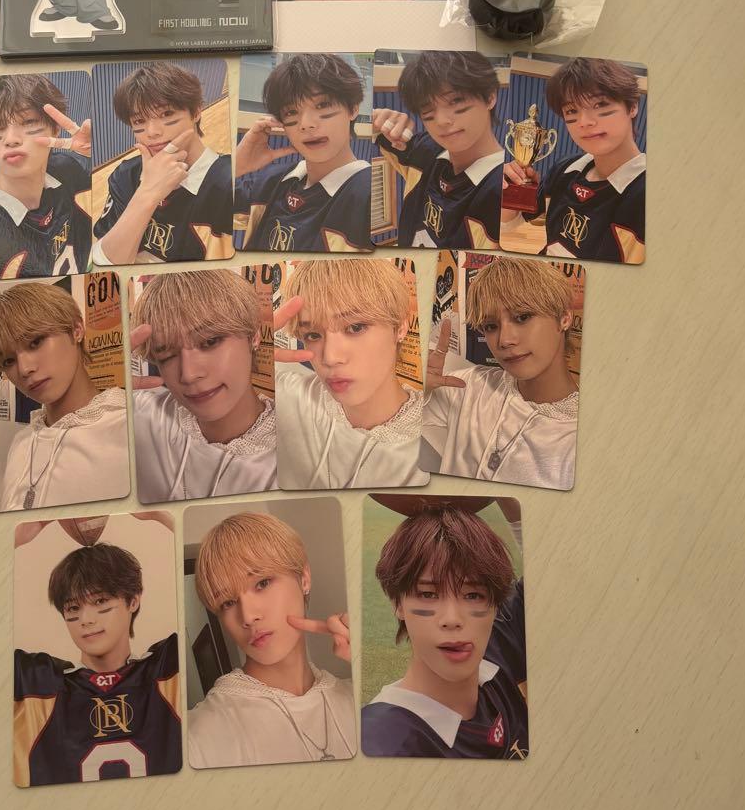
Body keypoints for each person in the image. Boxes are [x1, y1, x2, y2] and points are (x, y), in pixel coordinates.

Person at [13, 519, 181, 785]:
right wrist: (20, 531)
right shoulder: (37, 683)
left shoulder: (168, 671)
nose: (86, 620)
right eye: (73, 608)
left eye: (100, 601)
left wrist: (157, 512)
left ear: (133, 600)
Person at [360, 503, 529, 759]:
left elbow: (553, 565)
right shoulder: (382, 741)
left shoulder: (494, 654)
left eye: (473, 595)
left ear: (495, 604)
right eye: (428, 594)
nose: (452, 620)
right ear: (397, 603)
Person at [188, 512, 355, 767]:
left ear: (304, 578)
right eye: (228, 602)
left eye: (262, 583)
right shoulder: (204, 732)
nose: (248, 616)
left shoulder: (360, 698)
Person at [422, 256, 579, 490]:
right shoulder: (468, 385)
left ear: (563, 318)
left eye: (522, 317)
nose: (504, 340)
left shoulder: (578, 439)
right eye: (491, 326)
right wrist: (420, 386)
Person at [274, 259, 427, 489]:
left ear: (400, 327)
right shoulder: (287, 399)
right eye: (313, 335)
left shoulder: (443, 437)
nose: (330, 357)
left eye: (355, 327)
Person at [0, 281, 129, 510]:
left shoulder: (130, 429)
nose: (24, 369)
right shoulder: (20, 443)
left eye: (35, 342)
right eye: (8, 361)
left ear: (76, 329)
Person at [130, 270, 276, 502]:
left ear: (254, 335)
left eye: (209, 342)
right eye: (167, 355)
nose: (188, 374)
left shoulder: (303, 444)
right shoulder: (141, 416)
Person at [0, 73, 92, 281]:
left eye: (29, 122)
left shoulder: (68, 169)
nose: (11, 139)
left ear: (55, 129)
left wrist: (91, 151)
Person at [503, 57, 646, 264]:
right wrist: (509, 191)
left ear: (632, 106)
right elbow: (510, 223)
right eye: (572, 110)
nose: (584, 122)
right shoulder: (566, 168)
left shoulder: (646, 193)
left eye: (600, 104)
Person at [92, 63, 233, 264]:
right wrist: (147, 193)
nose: (152, 132)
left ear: (196, 112)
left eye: (167, 114)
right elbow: (104, 262)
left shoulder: (231, 184)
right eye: (139, 121)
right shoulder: (126, 175)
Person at [371, 51, 514, 248]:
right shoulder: (425, 151)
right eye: (428, 111)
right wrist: (376, 121)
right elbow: (379, 136)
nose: (441, 121)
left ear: (490, 96)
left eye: (456, 101)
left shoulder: (502, 187)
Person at [235, 54, 373, 253]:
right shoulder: (271, 181)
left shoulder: (368, 195)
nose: (306, 124)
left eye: (322, 105)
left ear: (353, 108)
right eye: (291, 112)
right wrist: (237, 166)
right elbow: (201, 208)